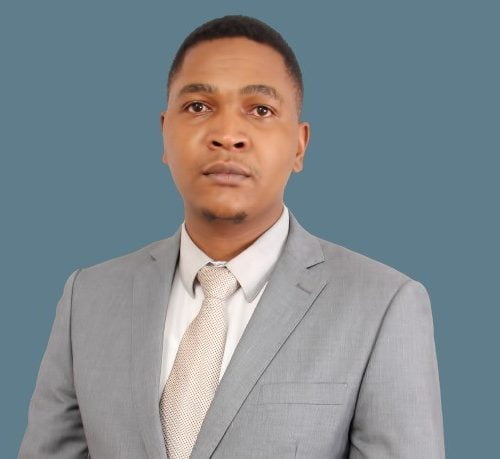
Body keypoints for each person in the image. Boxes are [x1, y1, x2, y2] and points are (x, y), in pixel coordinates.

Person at [19, 15, 445, 459]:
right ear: (164, 133)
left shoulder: (383, 305)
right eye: (198, 106)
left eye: (260, 110)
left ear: (299, 145)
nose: (227, 136)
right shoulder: (88, 297)